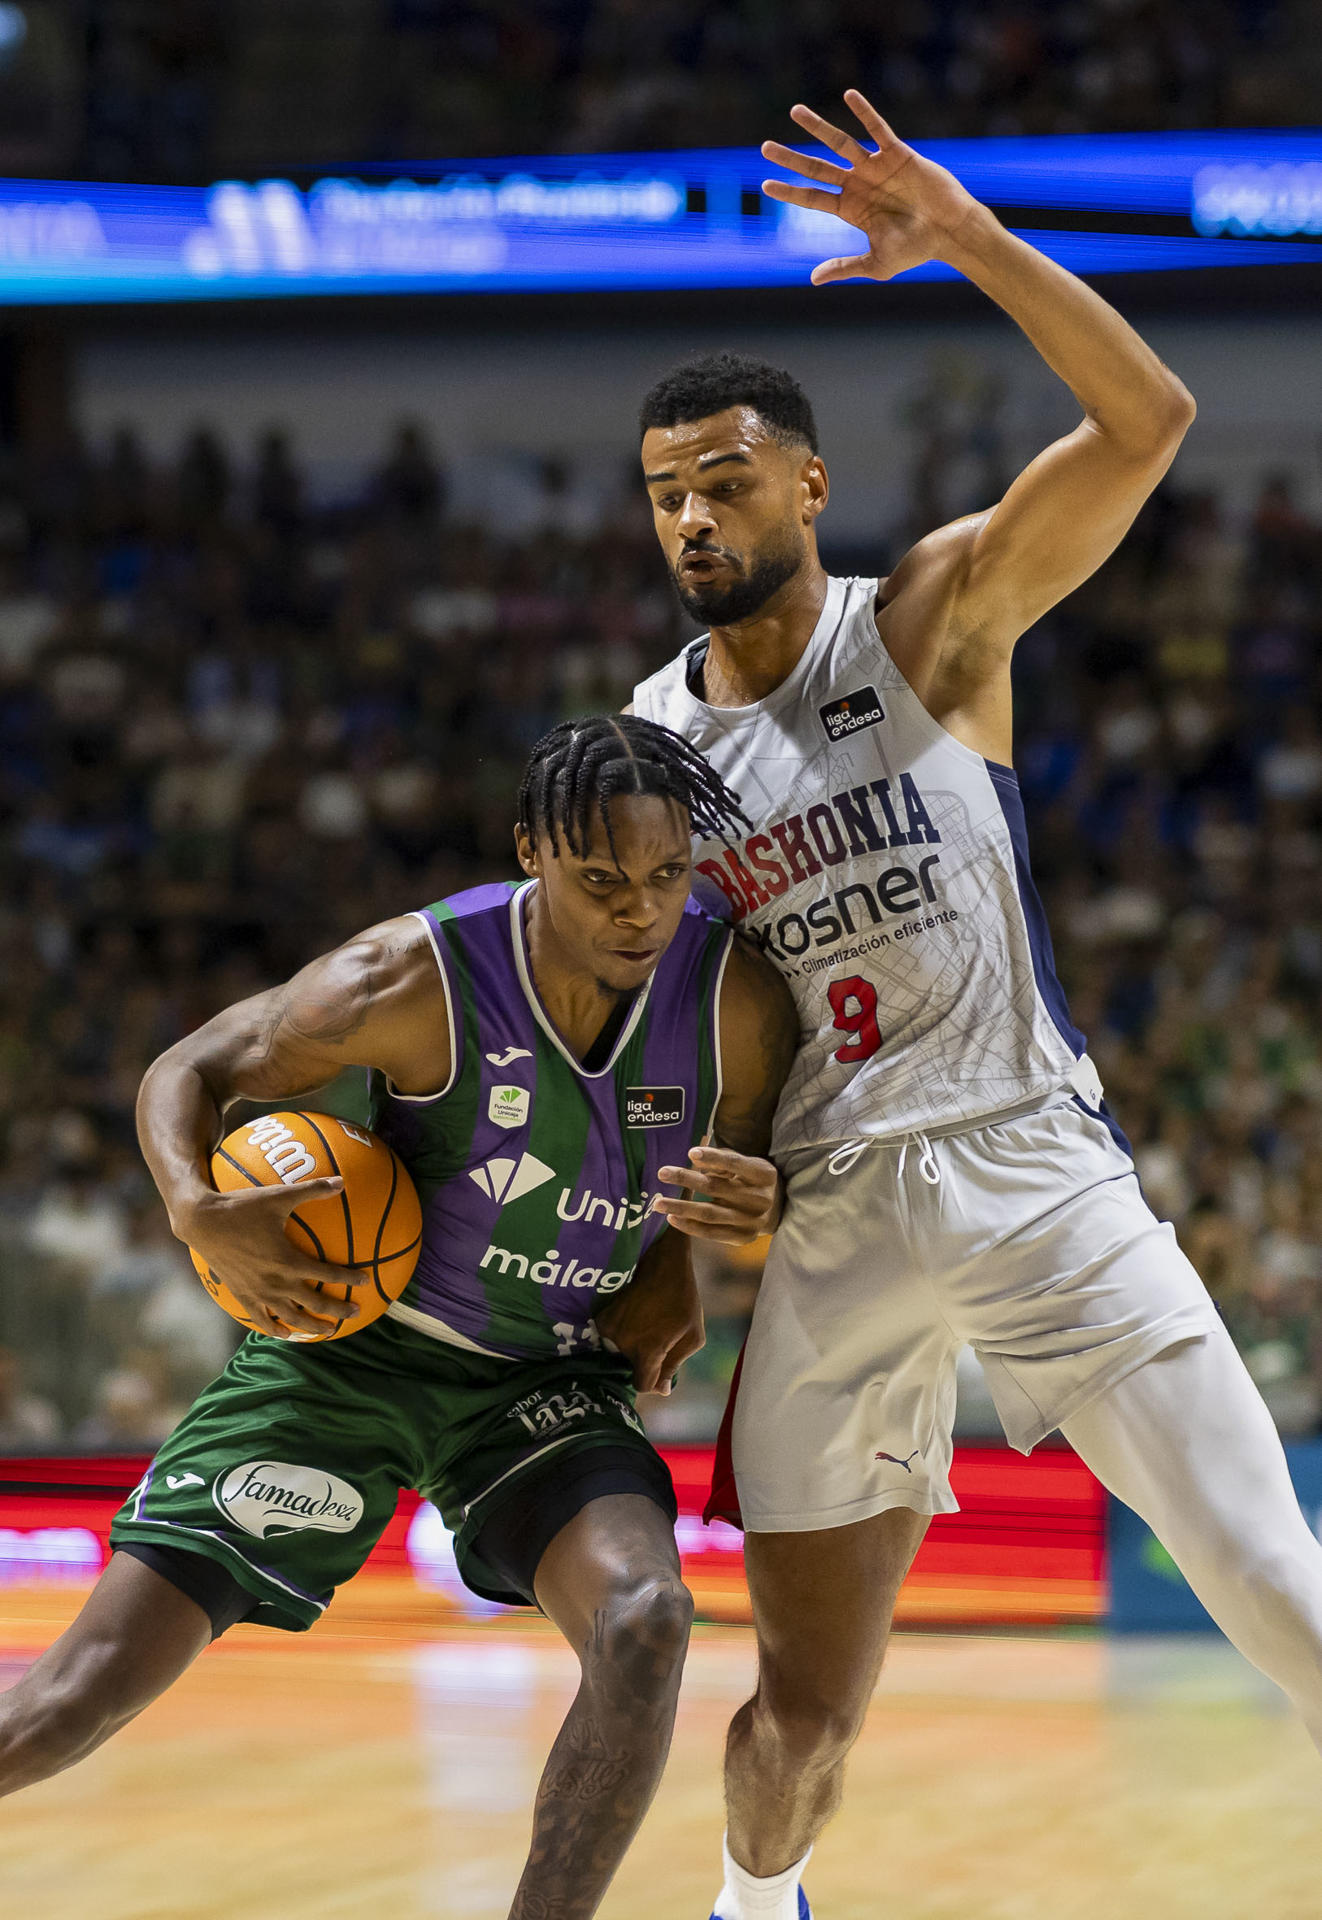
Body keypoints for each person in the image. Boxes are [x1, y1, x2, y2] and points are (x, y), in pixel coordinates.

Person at [630, 91, 1322, 1920]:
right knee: (800, 1719)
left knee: (1279, 1594)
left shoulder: (931, 615)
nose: (693, 515)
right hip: (836, 1228)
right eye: (664, 493)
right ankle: (752, 1902)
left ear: (804, 487)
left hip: (1033, 1170)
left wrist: (972, 236)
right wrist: (710, 1174)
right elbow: (685, 1018)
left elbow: (1148, 421)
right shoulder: (650, 753)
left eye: (722, 478)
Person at [0, 715, 798, 1920]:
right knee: (77, 1696)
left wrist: (686, 1249)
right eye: (599, 881)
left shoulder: (734, 998)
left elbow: (731, 1160)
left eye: (662, 877)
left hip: (544, 1383)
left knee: (647, 1617)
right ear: (530, 848)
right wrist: (192, 1206)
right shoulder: (404, 978)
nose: (638, 912)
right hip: (346, 1357)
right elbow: (189, 1069)